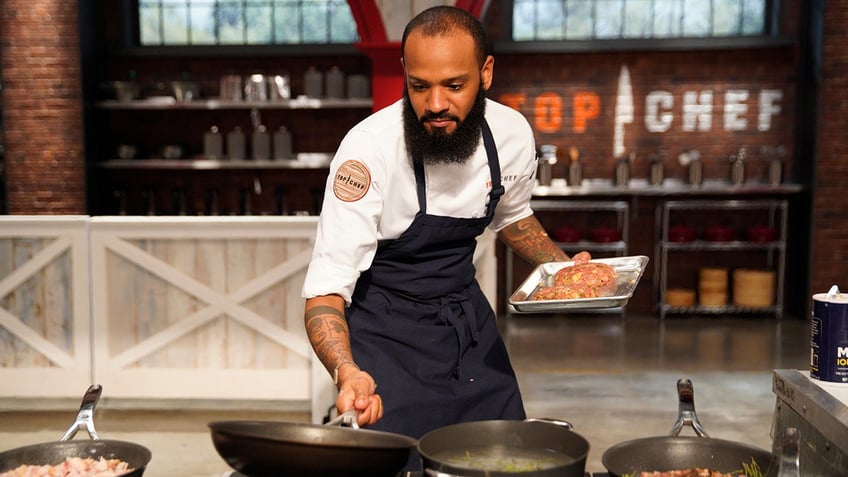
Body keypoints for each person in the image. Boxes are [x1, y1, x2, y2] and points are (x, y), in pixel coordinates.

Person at [302, 5, 590, 469]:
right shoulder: (368, 150)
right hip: (385, 338)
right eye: (419, 86)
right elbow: (325, 291)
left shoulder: (512, 134)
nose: (435, 104)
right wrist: (347, 370)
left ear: (486, 72)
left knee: (507, 458)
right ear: (404, 75)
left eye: (454, 85)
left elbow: (512, 216)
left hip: (466, 329)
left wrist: (562, 269)